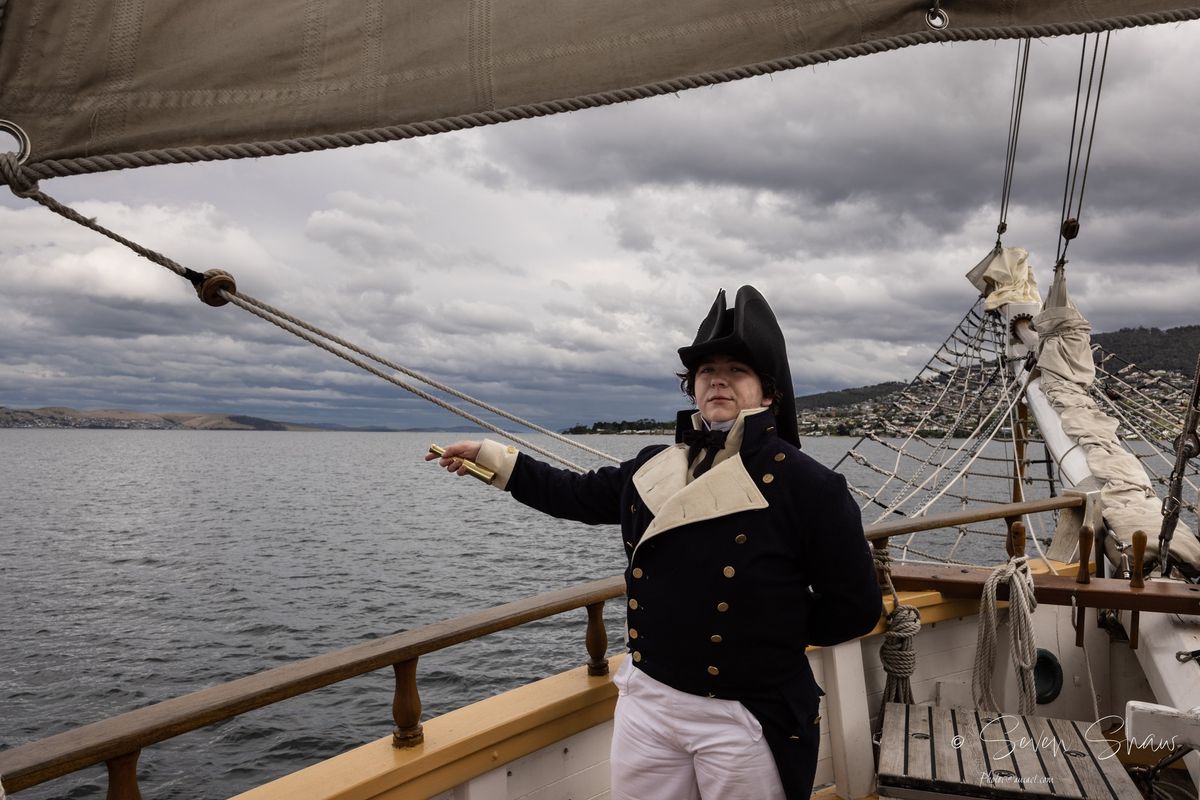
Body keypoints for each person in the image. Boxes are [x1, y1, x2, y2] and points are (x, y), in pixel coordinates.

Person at [427, 286, 882, 799]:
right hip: (648, 697)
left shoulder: (810, 486)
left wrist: (763, 635)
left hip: (745, 711)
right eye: (707, 372)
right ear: (693, 388)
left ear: (769, 392)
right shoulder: (652, 465)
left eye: (737, 370)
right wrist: (489, 458)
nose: (718, 381)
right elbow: (573, 494)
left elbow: (854, 609)